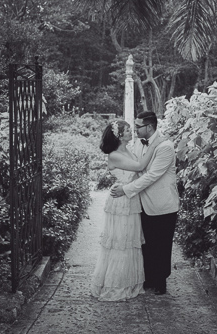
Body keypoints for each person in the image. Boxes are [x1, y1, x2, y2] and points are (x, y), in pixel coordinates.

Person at [91, 119, 164, 301]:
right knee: (121, 242)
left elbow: (141, 168)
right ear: (119, 135)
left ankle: (130, 283)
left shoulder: (128, 149)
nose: (131, 132)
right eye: (128, 130)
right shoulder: (114, 154)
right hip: (121, 200)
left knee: (130, 241)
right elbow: (139, 167)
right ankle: (117, 286)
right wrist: (156, 144)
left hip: (131, 198)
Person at [110, 111, 179, 295]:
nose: (135, 130)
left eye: (138, 126)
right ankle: (149, 278)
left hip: (163, 203)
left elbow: (151, 175)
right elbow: (137, 167)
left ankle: (161, 282)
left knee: (162, 245)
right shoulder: (138, 144)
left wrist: (125, 189)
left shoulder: (165, 146)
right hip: (142, 202)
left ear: (149, 127)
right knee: (147, 243)